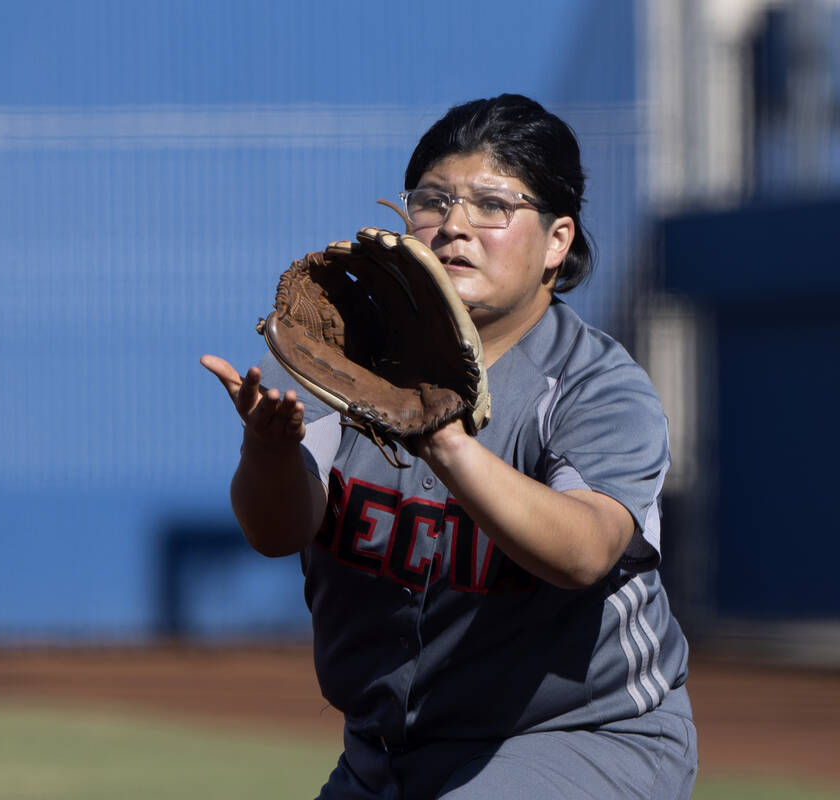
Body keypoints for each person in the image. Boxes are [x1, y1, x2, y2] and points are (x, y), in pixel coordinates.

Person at [201, 93, 697, 799]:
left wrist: (445, 443)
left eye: (493, 205)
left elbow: (584, 551)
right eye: (432, 200)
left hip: (581, 738)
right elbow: (277, 531)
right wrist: (269, 452)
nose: (454, 225)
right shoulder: (341, 358)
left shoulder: (597, 387)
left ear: (557, 241)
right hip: (385, 752)